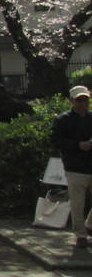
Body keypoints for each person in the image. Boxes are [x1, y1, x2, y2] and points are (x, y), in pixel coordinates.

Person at [51, 85, 92, 248]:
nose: (82, 103)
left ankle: (89, 225)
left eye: (85, 100)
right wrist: (77, 145)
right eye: (79, 100)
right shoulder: (63, 120)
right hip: (75, 167)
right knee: (77, 203)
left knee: (79, 203)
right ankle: (80, 234)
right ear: (71, 101)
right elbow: (56, 141)